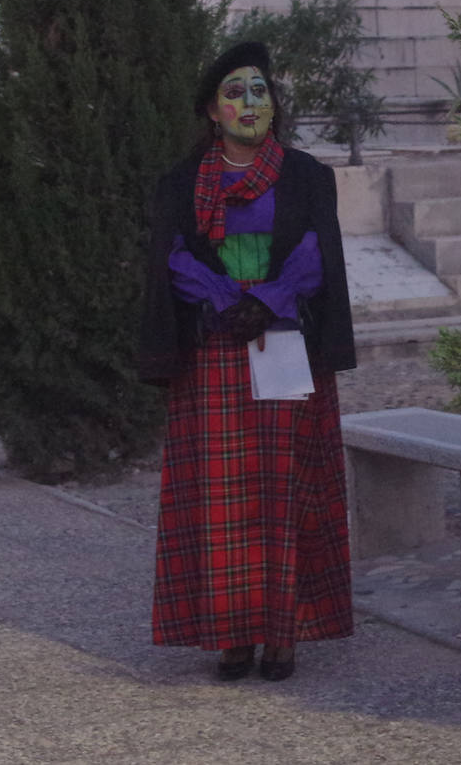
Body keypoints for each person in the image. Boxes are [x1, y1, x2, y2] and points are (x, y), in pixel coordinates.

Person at [137, 41, 357, 682]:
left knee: (285, 492)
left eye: (260, 91)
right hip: (215, 354)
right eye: (235, 92)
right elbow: (173, 257)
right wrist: (225, 299)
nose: (250, 103)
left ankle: (282, 637)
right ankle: (232, 636)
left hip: (287, 347)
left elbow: (318, 251)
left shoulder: (309, 177)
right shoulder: (180, 184)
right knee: (221, 499)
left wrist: (270, 299)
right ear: (211, 110)